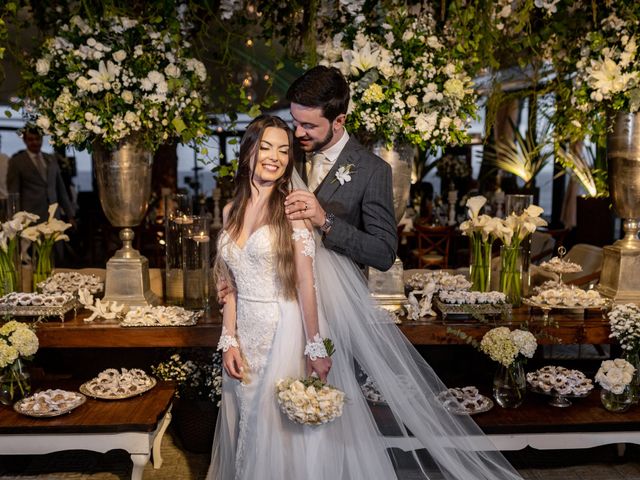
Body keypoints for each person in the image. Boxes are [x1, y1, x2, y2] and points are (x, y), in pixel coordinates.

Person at [208, 115, 523, 480]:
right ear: (248, 150)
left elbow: (306, 283)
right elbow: (230, 284)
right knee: (247, 423)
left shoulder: (292, 208)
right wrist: (228, 340)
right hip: (245, 338)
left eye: (283, 149)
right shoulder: (232, 211)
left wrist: (315, 346)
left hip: (285, 331)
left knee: (280, 432)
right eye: (265, 147)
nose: (275, 157)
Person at [284, 65, 397, 271]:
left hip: (339, 296)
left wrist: (325, 220)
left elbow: (384, 254)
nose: (298, 133)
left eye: (309, 126)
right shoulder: (284, 152)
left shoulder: (373, 170)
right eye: (295, 122)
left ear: (338, 121)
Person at [7, 125, 76, 224]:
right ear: (25, 141)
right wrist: (15, 221)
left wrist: (70, 215)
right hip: (30, 219)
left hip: (54, 217)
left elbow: (61, 190)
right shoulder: (16, 161)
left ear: (42, 139)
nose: (35, 142)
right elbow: (14, 194)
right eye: (30, 139)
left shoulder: (51, 159)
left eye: (37, 139)